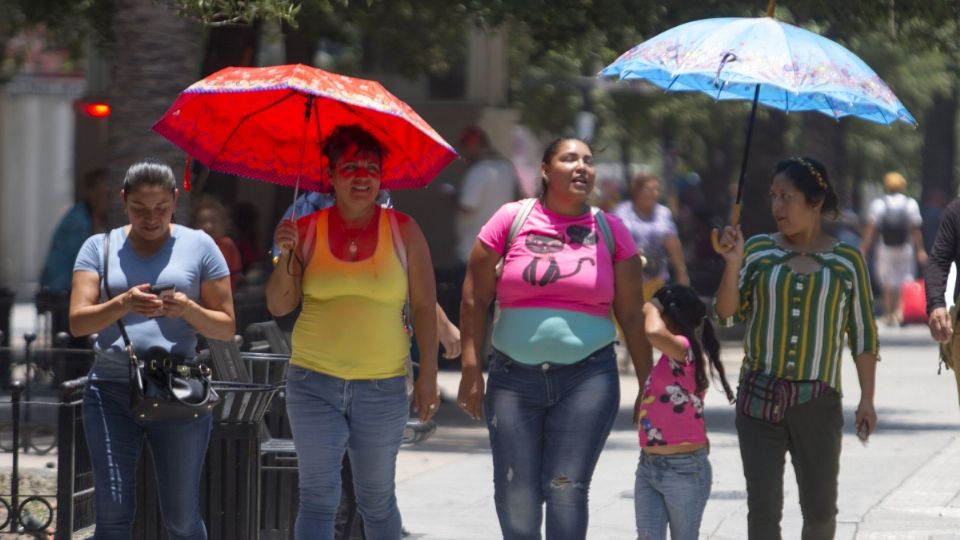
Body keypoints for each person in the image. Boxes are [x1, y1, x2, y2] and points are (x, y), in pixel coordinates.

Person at [458, 137, 652, 540]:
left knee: (566, 489)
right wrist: (471, 366)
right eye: (569, 159)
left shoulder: (611, 230)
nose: (582, 167)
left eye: (588, 161)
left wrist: (648, 385)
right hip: (512, 378)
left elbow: (633, 315)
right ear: (545, 169)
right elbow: (475, 297)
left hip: (588, 379)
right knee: (517, 493)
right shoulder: (511, 218)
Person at [265, 125, 440, 540]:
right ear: (331, 175)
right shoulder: (305, 230)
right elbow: (279, 304)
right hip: (312, 381)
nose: (362, 177)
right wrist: (285, 252)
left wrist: (429, 375)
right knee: (318, 497)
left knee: (376, 498)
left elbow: (423, 308)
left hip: (381, 386)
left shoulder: (405, 230)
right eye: (350, 167)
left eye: (371, 168)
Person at [69, 160, 235, 539]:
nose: (151, 217)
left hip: (178, 389)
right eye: (140, 208)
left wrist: (188, 309)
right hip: (111, 389)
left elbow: (226, 327)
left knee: (180, 518)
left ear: (175, 200)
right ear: (123, 201)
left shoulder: (200, 245)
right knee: (112, 515)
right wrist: (124, 303)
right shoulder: (100, 246)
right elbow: (79, 321)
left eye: (161, 207)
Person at [714, 157, 879, 540]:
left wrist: (867, 398)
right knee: (763, 511)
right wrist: (731, 264)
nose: (776, 207)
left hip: (817, 403)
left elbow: (863, 334)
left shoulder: (847, 261)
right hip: (758, 398)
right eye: (773, 196)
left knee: (820, 512)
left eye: (787, 197)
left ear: (815, 202)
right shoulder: (756, 251)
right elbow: (725, 316)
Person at [635, 284, 734, 540]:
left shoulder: (684, 350)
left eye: (660, 313)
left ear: (669, 317)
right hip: (649, 465)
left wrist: (651, 308)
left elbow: (654, 333)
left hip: (684, 469)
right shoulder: (669, 360)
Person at [37, 168, 110, 347]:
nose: (107, 201)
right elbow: (82, 262)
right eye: (104, 195)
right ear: (94, 195)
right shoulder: (78, 221)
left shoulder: (92, 218)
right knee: (68, 349)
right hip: (63, 293)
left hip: (70, 291)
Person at [860, 171, 927, 326]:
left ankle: (888, 313)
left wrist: (864, 247)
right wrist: (920, 249)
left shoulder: (879, 204)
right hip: (905, 247)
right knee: (905, 278)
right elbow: (915, 229)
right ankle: (900, 312)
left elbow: (871, 227)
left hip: (885, 247)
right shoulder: (910, 203)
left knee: (887, 280)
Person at [614, 173, 689, 301]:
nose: (652, 193)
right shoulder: (621, 211)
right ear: (636, 191)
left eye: (656, 189)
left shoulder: (664, 213)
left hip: (656, 277)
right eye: (647, 189)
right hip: (627, 277)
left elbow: (672, 243)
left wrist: (681, 271)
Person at [456, 126, 520, 270]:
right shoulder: (506, 167)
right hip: (500, 250)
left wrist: (452, 198)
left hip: (472, 249)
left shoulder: (477, 171)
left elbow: (468, 206)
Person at [192, 195, 244, 291]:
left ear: (224, 224)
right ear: (194, 225)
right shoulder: (191, 245)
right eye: (202, 221)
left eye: (214, 221)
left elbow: (236, 276)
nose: (208, 226)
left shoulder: (227, 245)